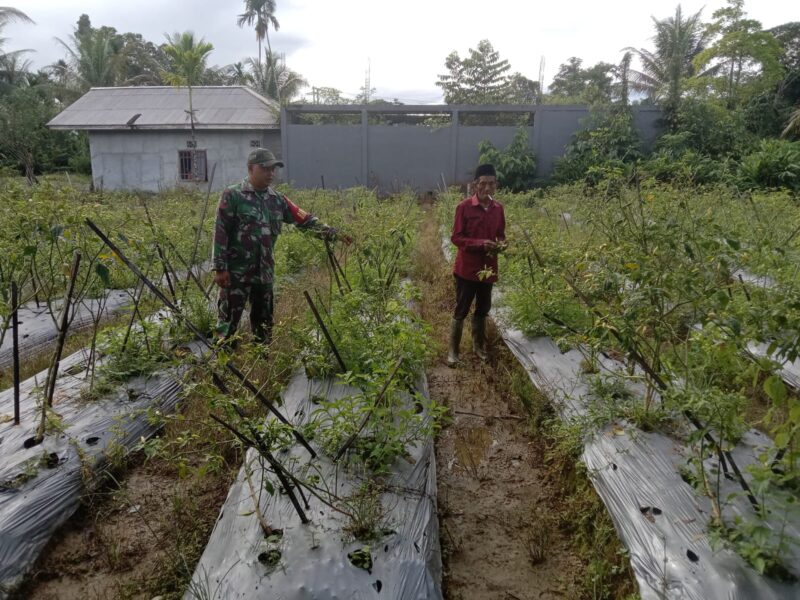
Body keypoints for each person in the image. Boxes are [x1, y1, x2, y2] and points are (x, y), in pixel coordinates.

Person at [212, 148, 346, 345]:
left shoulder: (277, 200)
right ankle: (223, 365)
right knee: (228, 324)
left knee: (264, 324)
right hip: (235, 273)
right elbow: (220, 231)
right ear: (251, 168)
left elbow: (305, 220)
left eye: (273, 169)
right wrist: (220, 267)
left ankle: (262, 362)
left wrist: (334, 234)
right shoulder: (232, 195)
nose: (271, 173)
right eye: (265, 168)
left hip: (263, 273)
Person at [448, 163, 506, 366]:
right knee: (461, 308)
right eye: (483, 184)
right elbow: (456, 238)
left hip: (488, 269)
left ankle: (478, 346)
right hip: (467, 269)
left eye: (491, 184)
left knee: (483, 308)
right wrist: (481, 243)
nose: (487, 188)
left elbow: (501, 234)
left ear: (496, 185)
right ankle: (453, 352)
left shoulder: (498, 209)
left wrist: (501, 244)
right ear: (475, 185)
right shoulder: (464, 207)